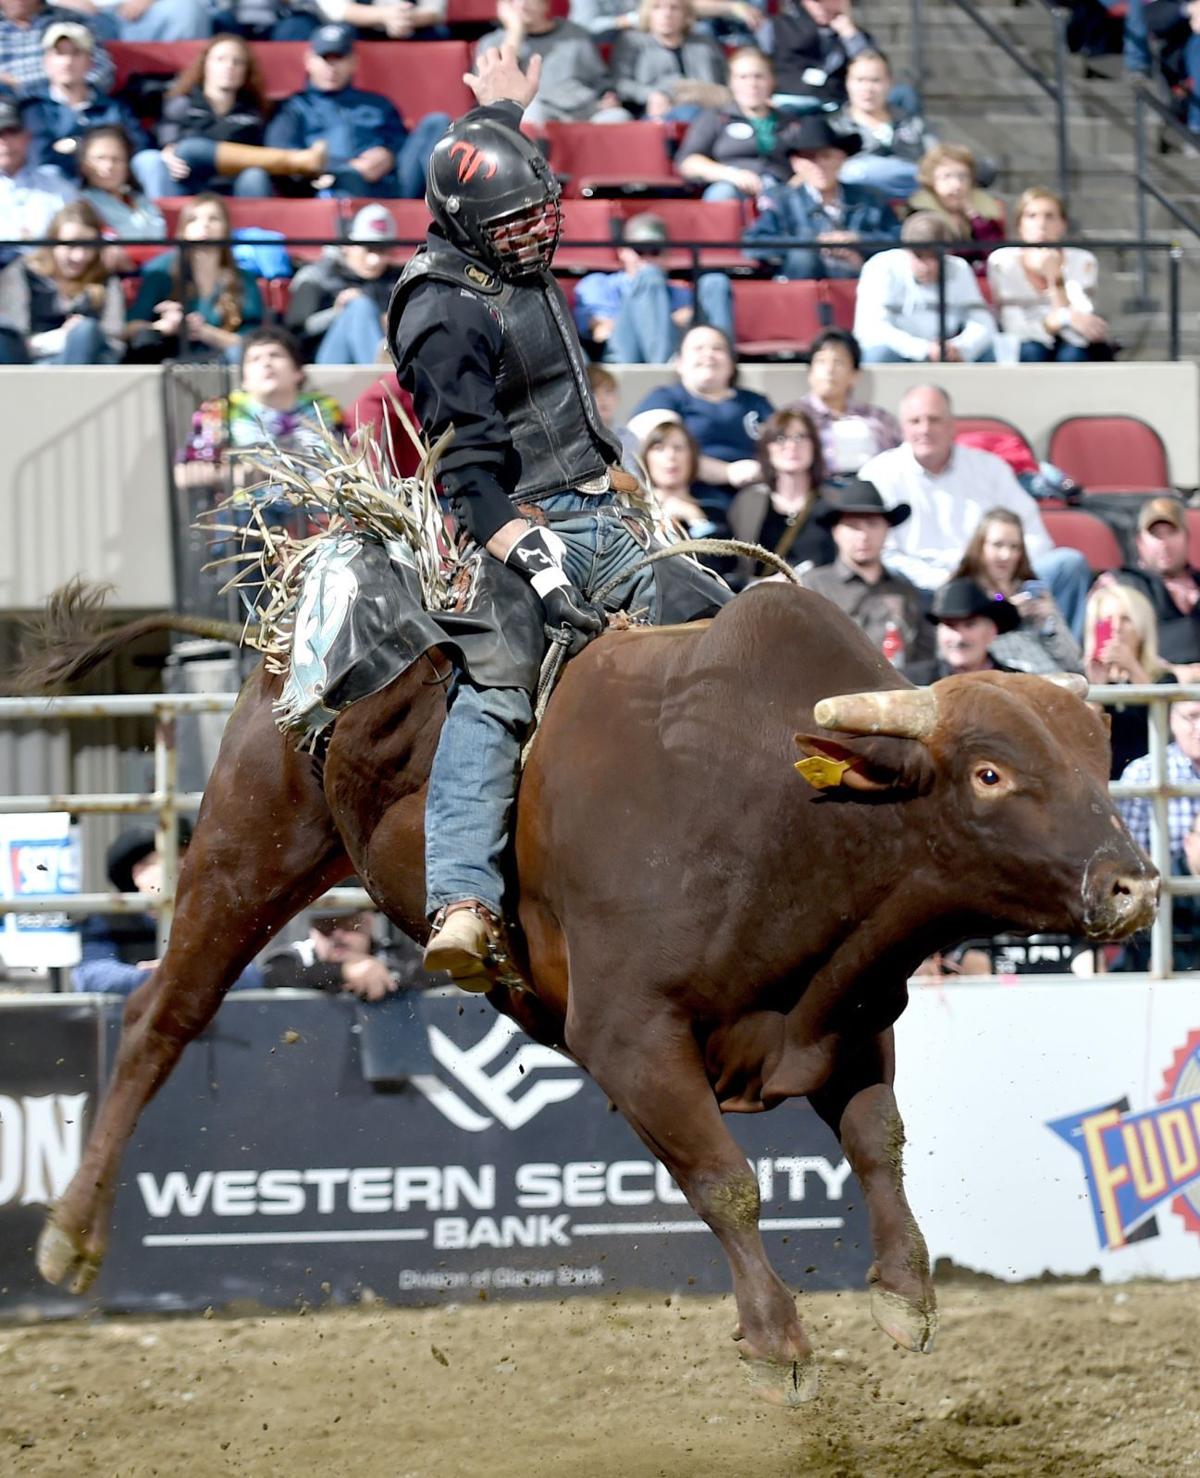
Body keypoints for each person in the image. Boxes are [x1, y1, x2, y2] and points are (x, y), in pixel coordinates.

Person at [387, 44, 730, 981]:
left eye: (546, 217)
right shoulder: (441, 318)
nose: (542, 235)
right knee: (496, 687)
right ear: (473, 231)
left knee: (716, 613)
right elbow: (466, 477)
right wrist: (529, 558)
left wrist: (501, 109)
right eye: (523, 226)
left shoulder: (492, 209)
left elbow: (490, 155)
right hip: (510, 523)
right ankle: (462, 899)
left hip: (600, 506)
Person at [859, 385, 1092, 637]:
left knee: (1068, 565)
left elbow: (1034, 535)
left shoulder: (989, 468)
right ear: (902, 428)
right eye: (915, 421)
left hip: (998, 583)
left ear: (951, 426)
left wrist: (1004, 579)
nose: (924, 429)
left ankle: (1068, 669)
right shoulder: (879, 473)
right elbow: (884, 555)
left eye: (934, 420)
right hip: (925, 587)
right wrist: (956, 584)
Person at [264, 24, 451, 198]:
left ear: (353, 62)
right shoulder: (293, 107)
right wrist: (345, 166)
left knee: (437, 122)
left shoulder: (378, 104)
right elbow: (284, 155)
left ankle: (446, 210)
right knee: (348, 176)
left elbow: (402, 142)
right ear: (309, 61)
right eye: (325, 58)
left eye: (339, 58)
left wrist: (388, 155)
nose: (332, 67)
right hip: (332, 186)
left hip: (392, 185)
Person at [75, 824, 262, 994]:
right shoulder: (109, 919)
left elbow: (251, 975)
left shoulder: (211, 919)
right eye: (169, 859)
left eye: (187, 857)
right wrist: (154, 977)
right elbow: (92, 975)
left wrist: (182, 974)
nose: (184, 866)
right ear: (139, 872)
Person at [631, 321, 774, 530]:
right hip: (690, 497)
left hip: (756, 493)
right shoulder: (665, 398)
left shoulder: (755, 402)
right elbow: (649, 450)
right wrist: (727, 472)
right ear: (679, 362)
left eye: (718, 348)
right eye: (698, 348)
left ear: (732, 362)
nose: (708, 354)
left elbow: (784, 441)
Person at [175, 324, 344, 492]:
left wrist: (321, 490)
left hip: (320, 511)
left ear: (298, 371)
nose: (266, 363)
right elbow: (183, 475)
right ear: (244, 380)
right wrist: (237, 475)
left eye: (275, 355)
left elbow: (353, 462)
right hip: (248, 513)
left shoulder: (324, 408)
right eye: (254, 359)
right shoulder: (221, 411)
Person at [157, 33, 328, 198]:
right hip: (190, 181)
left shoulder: (257, 112)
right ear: (205, 64)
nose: (229, 66)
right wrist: (166, 154)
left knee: (255, 175)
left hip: (238, 185)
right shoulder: (182, 104)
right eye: (220, 59)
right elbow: (166, 144)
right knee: (185, 150)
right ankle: (295, 161)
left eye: (237, 62)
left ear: (246, 70)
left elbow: (267, 151)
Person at [20, 23, 171, 199]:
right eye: (59, 53)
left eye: (76, 53)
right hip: (63, 196)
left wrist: (77, 147)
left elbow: (139, 145)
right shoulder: (35, 109)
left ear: (89, 62)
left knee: (150, 161)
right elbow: (40, 157)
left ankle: (156, 222)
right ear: (46, 61)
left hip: (115, 185)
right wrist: (99, 152)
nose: (67, 62)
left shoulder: (114, 107)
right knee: (49, 172)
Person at [742, 114, 898, 281]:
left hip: (862, 284)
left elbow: (899, 238)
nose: (818, 165)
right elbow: (753, 244)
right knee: (803, 257)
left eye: (826, 156)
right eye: (809, 158)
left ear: (841, 158)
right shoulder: (781, 201)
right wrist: (814, 243)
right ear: (796, 164)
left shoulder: (870, 198)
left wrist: (856, 240)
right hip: (801, 288)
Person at [800, 476, 934, 671]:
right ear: (836, 532)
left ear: (887, 530)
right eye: (853, 526)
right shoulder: (812, 586)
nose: (863, 536)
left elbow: (924, 658)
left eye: (872, 524)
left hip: (899, 693)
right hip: (834, 692)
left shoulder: (905, 590)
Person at [572, 210, 733, 364]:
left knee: (716, 282)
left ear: (667, 254)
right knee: (649, 276)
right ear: (623, 251)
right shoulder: (598, 284)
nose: (647, 258)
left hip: (678, 351)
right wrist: (667, 320)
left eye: (655, 251)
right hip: (622, 357)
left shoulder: (681, 292)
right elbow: (601, 331)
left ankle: (724, 368)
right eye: (640, 251)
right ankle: (663, 370)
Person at [127, 192, 263, 364]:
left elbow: (252, 344)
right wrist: (164, 326)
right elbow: (129, 329)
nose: (205, 225)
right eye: (194, 220)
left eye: (213, 219)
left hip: (222, 364)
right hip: (169, 359)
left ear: (226, 229)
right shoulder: (160, 271)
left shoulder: (244, 279)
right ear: (183, 230)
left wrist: (204, 332)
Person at [985, 186, 1114, 363]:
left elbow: (1083, 326)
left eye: (1050, 216)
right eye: (1032, 216)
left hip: (1070, 342)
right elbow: (1014, 327)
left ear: (1063, 224)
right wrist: (1064, 318)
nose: (1041, 224)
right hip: (1025, 343)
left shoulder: (1082, 260)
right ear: (1020, 225)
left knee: (1073, 354)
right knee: (1032, 352)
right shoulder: (1002, 261)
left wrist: (1056, 280)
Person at [853, 210, 996, 364]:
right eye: (919, 255)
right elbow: (871, 329)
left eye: (935, 256)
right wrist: (924, 349)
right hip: (901, 353)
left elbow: (983, 322)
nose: (927, 265)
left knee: (988, 352)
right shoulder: (881, 266)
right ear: (905, 249)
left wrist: (961, 347)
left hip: (949, 353)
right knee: (879, 354)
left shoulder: (959, 268)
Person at [951, 507, 1082, 673]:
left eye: (1015, 547)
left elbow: (1074, 663)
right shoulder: (963, 594)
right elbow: (956, 654)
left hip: (1051, 685)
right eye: (997, 545)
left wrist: (1048, 625)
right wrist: (1005, 615)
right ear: (980, 546)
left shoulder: (1032, 590)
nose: (1006, 555)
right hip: (1002, 687)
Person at [0, 196, 122, 361]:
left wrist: (81, 336)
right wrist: (59, 337)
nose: (79, 256)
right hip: (31, 364)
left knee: (85, 330)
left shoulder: (105, 280)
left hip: (87, 368)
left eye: (88, 246)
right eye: (70, 245)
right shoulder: (23, 272)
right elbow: (15, 336)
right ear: (52, 241)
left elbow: (115, 341)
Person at [476, 0, 630, 123]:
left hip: (583, 110)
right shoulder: (491, 43)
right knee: (529, 112)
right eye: (512, 0)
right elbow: (495, 89)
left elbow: (600, 78)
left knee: (618, 117)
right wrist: (516, 32)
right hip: (537, 112)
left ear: (546, 3)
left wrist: (607, 95)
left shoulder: (575, 35)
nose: (522, 4)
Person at [727, 405, 833, 583]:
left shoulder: (833, 502)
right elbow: (730, 570)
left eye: (800, 437)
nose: (791, 445)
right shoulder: (748, 501)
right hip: (759, 603)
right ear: (767, 448)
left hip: (819, 602)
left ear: (814, 445)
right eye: (780, 438)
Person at [675, 47, 795, 202]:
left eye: (759, 76)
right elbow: (688, 162)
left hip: (782, 188)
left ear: (772, 80)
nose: (752, 83)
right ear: (731, 82)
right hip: (734, 189)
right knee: (721, 193)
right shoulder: (716, 117)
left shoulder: (789, 121)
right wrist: (732, 175)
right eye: (743, 77)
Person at [286, 201, 400, 364]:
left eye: (383, 251)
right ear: (347, 246)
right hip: (324, 365)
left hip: (385, 353)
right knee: (360, 306)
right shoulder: (317, 276)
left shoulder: (397, 280)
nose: (375, 260)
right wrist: (337, 313)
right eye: (368, 249)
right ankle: (383, 382)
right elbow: (295, 331)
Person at [1084, 581, 1171, 777]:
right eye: (1106, 620)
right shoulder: (1082, 680)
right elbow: (1083, 739)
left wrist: (1132, 668)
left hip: (1150, 778)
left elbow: (1166, 725)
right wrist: (1097, 689)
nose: (1116, 628)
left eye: (1125, 619)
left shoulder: (1162, 678)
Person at [795, 326, 899, 477]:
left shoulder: (878, 419)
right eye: (821, 361)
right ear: (809, 372)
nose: (829, 370)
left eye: (838, 362)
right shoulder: (794, 417)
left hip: (869, 493)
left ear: (855, 375)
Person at [833, 49, 933, 199]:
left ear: (889, 83)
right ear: (847, 83)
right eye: (860, 80)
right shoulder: (833, 128)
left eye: (875, 80)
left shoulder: (913, 123)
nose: (868, 89)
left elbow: (937, 163)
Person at [1115, 495, 1200, 669]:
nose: (1164, 543)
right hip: (1151, 687)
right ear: (1140, 541)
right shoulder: (1120, 586)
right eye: (1156, 535)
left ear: (1186, 537)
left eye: (1171, 533)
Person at [609, 0, 727, 120]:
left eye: (674, 8)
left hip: (706, 106)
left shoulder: (705, 44)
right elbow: (620, 83)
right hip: (654, 111)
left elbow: (723, 80)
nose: (666, 14)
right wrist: (650, 95)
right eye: (657, 7)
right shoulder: (631, 41)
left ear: (686, 14)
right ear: (647, 13)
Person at [261, 908, 404, 999]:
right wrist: (343, 971)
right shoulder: (294, 958)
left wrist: (380, 973)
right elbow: (275, 974)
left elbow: (418, 971)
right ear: (312, 929)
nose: (337, 935)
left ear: (368, 923)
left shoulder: (396, 956)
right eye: (325, 926)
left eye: (349, 924)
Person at [0, 92, 76, 264]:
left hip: (52, 276)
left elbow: (82, 230)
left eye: (12, 132)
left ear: (27, 137)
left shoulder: (55, 182)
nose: (5, 141)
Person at [763, 0, 877, 113]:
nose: (822, 7)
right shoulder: (777, 26)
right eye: (816, 1)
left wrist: (850, 36)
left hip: (836, 105)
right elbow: (758, 64)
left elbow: (871, 70)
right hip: (786, 103)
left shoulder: (855, 36)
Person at [905, 576, 1022, 684]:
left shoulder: (1018, 685)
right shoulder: (910, 683)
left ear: (992, 631)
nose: (959, 637)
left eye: (969, 625)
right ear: (938, 632)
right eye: (950, 625)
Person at [907, 143, 1004, 273]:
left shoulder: (985, 210)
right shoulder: (919, 211)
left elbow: (995, 254)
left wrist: (974, 216)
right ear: (931, 180)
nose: (956, 185)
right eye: (947, 176)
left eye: (962, 177)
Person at [76, 125, 165, 263]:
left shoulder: (141, 201)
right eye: (100, 158)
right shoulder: (81, 205)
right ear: (84, 164)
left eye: (116, 159)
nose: (109, 166)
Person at [0, 0, 112, 94]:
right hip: (7, 108)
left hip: (61, 106)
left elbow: (101, 71)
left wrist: (71, 94)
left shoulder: (71, 20)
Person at [637, 413, 712, 535]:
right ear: (646, 458)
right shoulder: (631, 511)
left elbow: (723, 553)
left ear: (692, 457)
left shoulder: (714, 512)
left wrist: (695, 518)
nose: (670, 456)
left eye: (678, 448)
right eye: (659, 448)